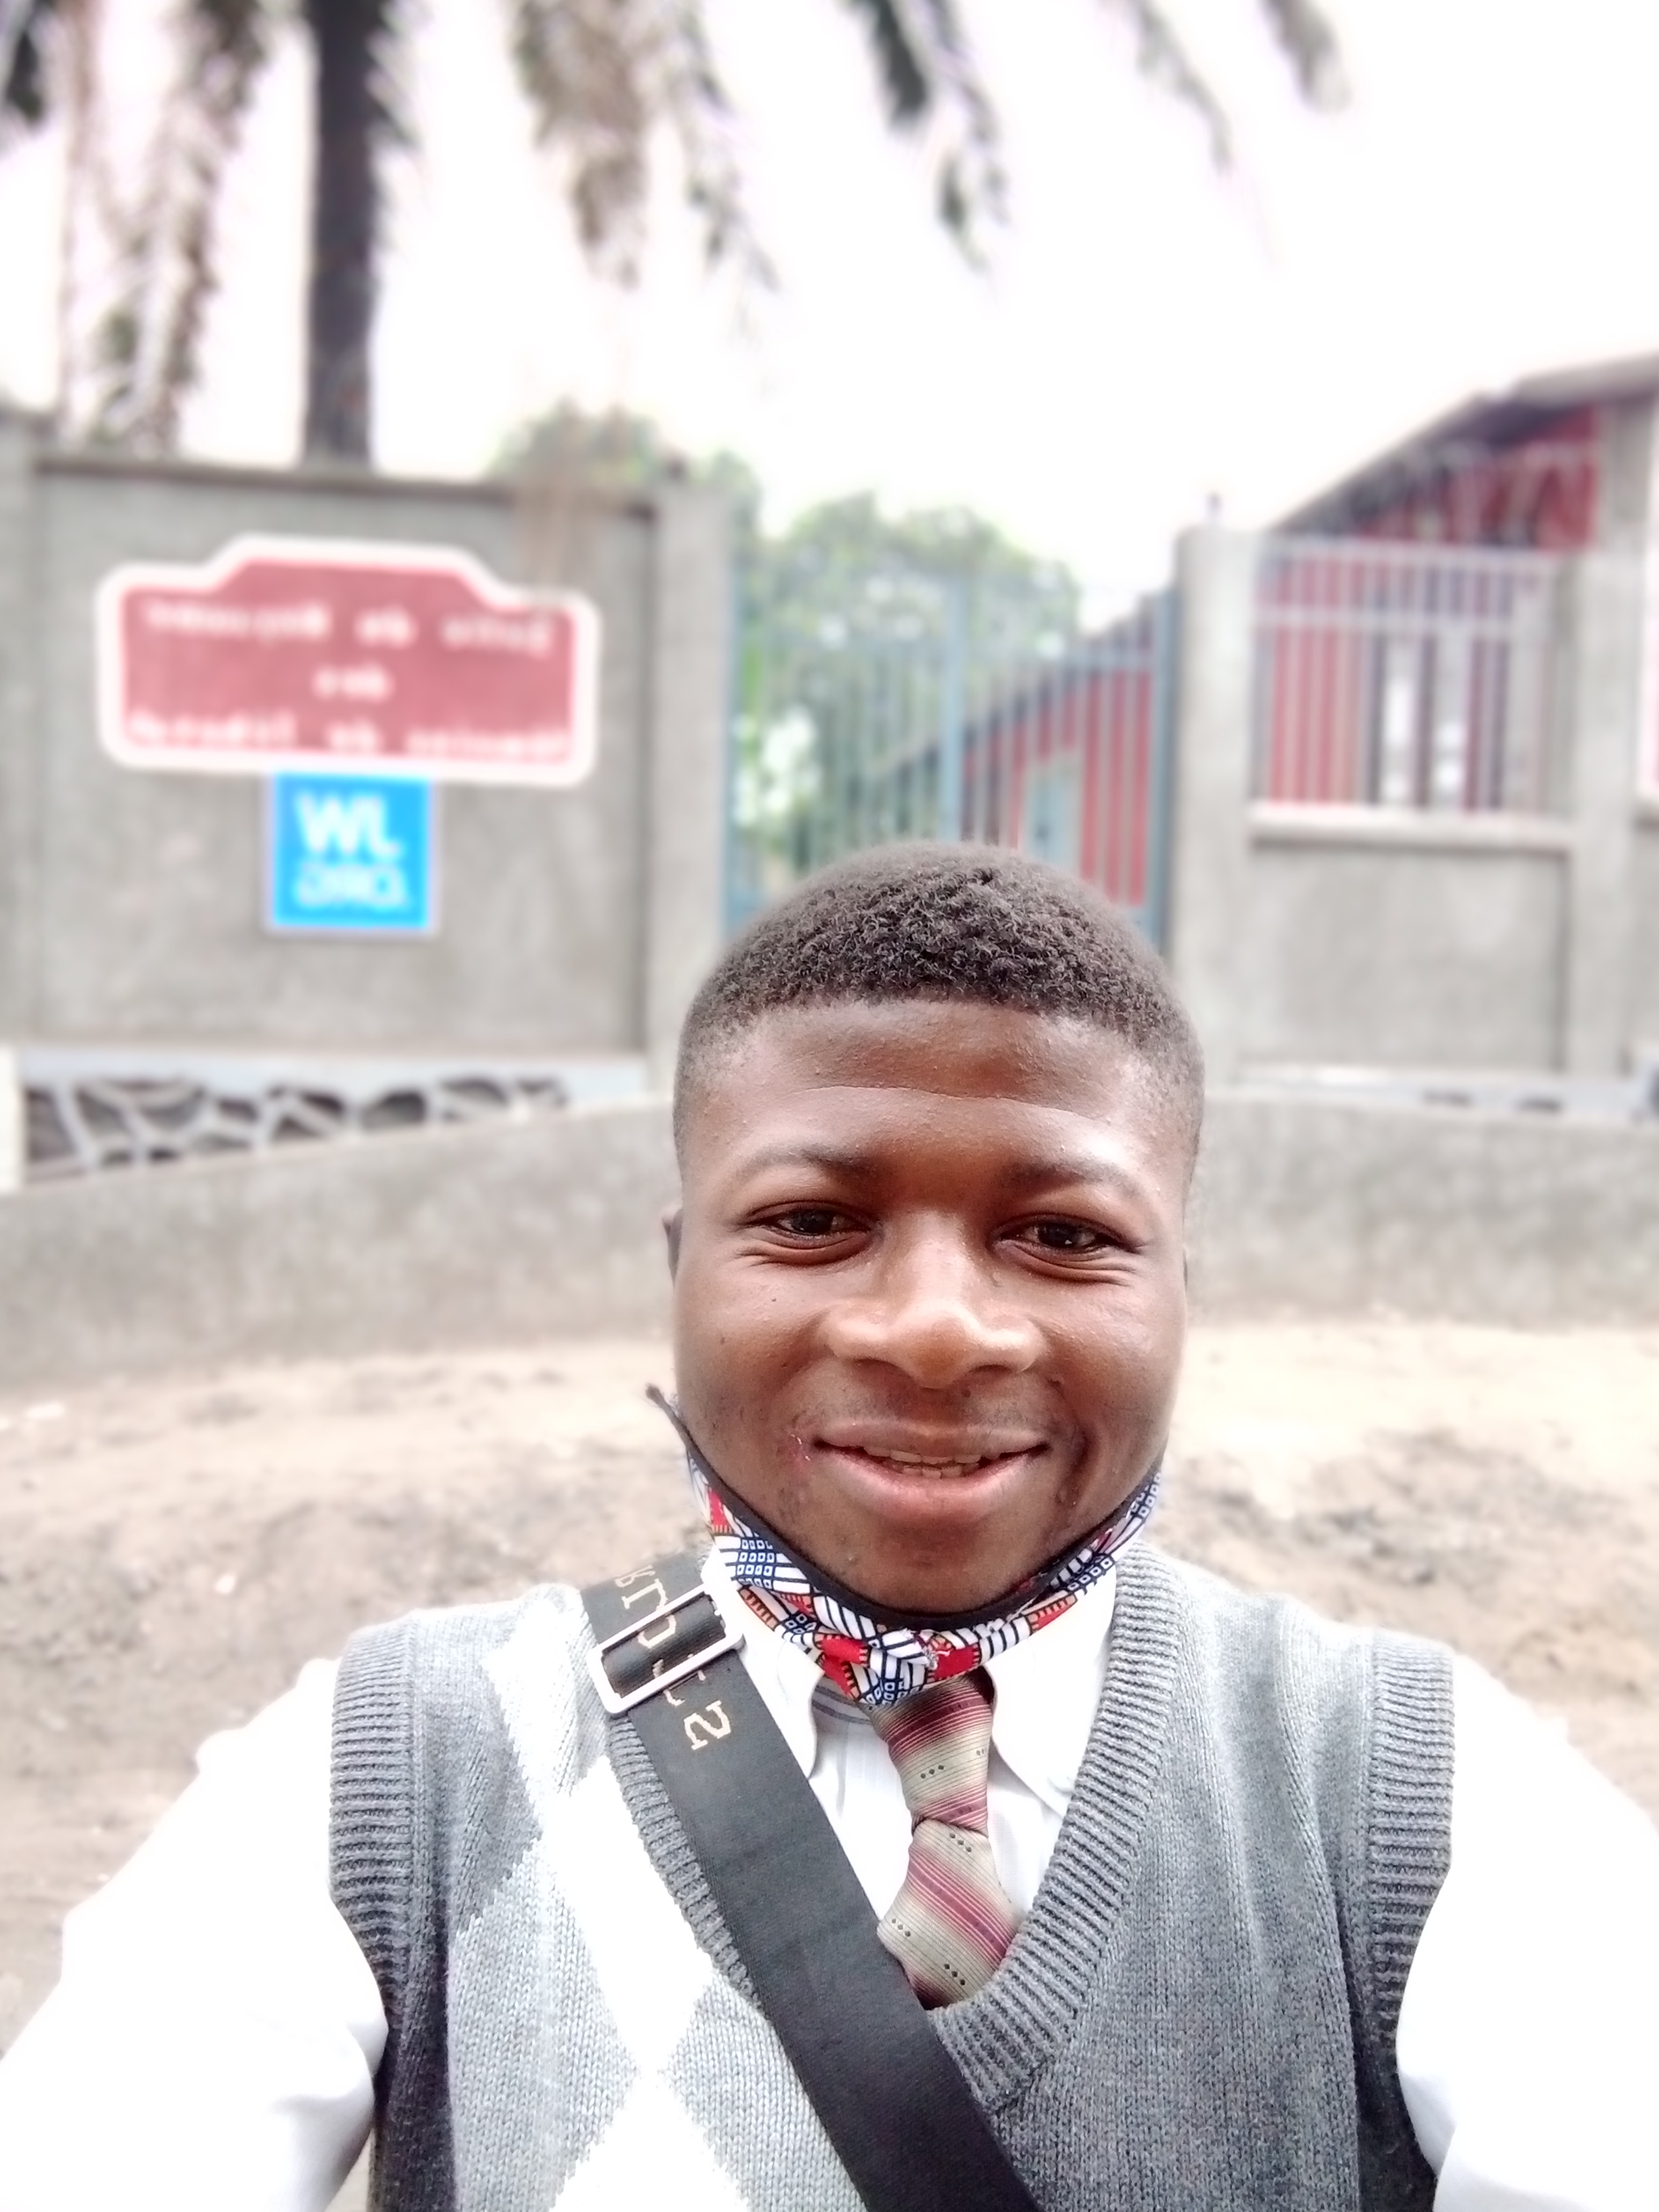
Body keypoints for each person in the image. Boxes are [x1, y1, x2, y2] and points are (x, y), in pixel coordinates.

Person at [1, 842, 1656, 2212]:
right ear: (680, 1268)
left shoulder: (1414, 1797)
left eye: (1065, 1235)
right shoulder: (387, 1777)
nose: (937, 1330)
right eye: (811, 1221)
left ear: (1179, 1291)